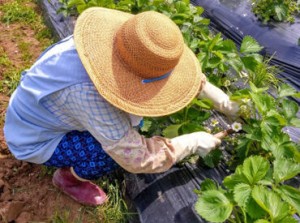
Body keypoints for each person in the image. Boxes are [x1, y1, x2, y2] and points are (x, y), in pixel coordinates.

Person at [3, 7, 239, 206]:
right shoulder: (88, 93)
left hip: (49, 110)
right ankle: (68, 178)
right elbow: (136, 157)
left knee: (132, 118)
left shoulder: (111, 42)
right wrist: (192, 142)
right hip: (35, 138)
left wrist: (219, 99)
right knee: (108, 154)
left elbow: (167, 70)